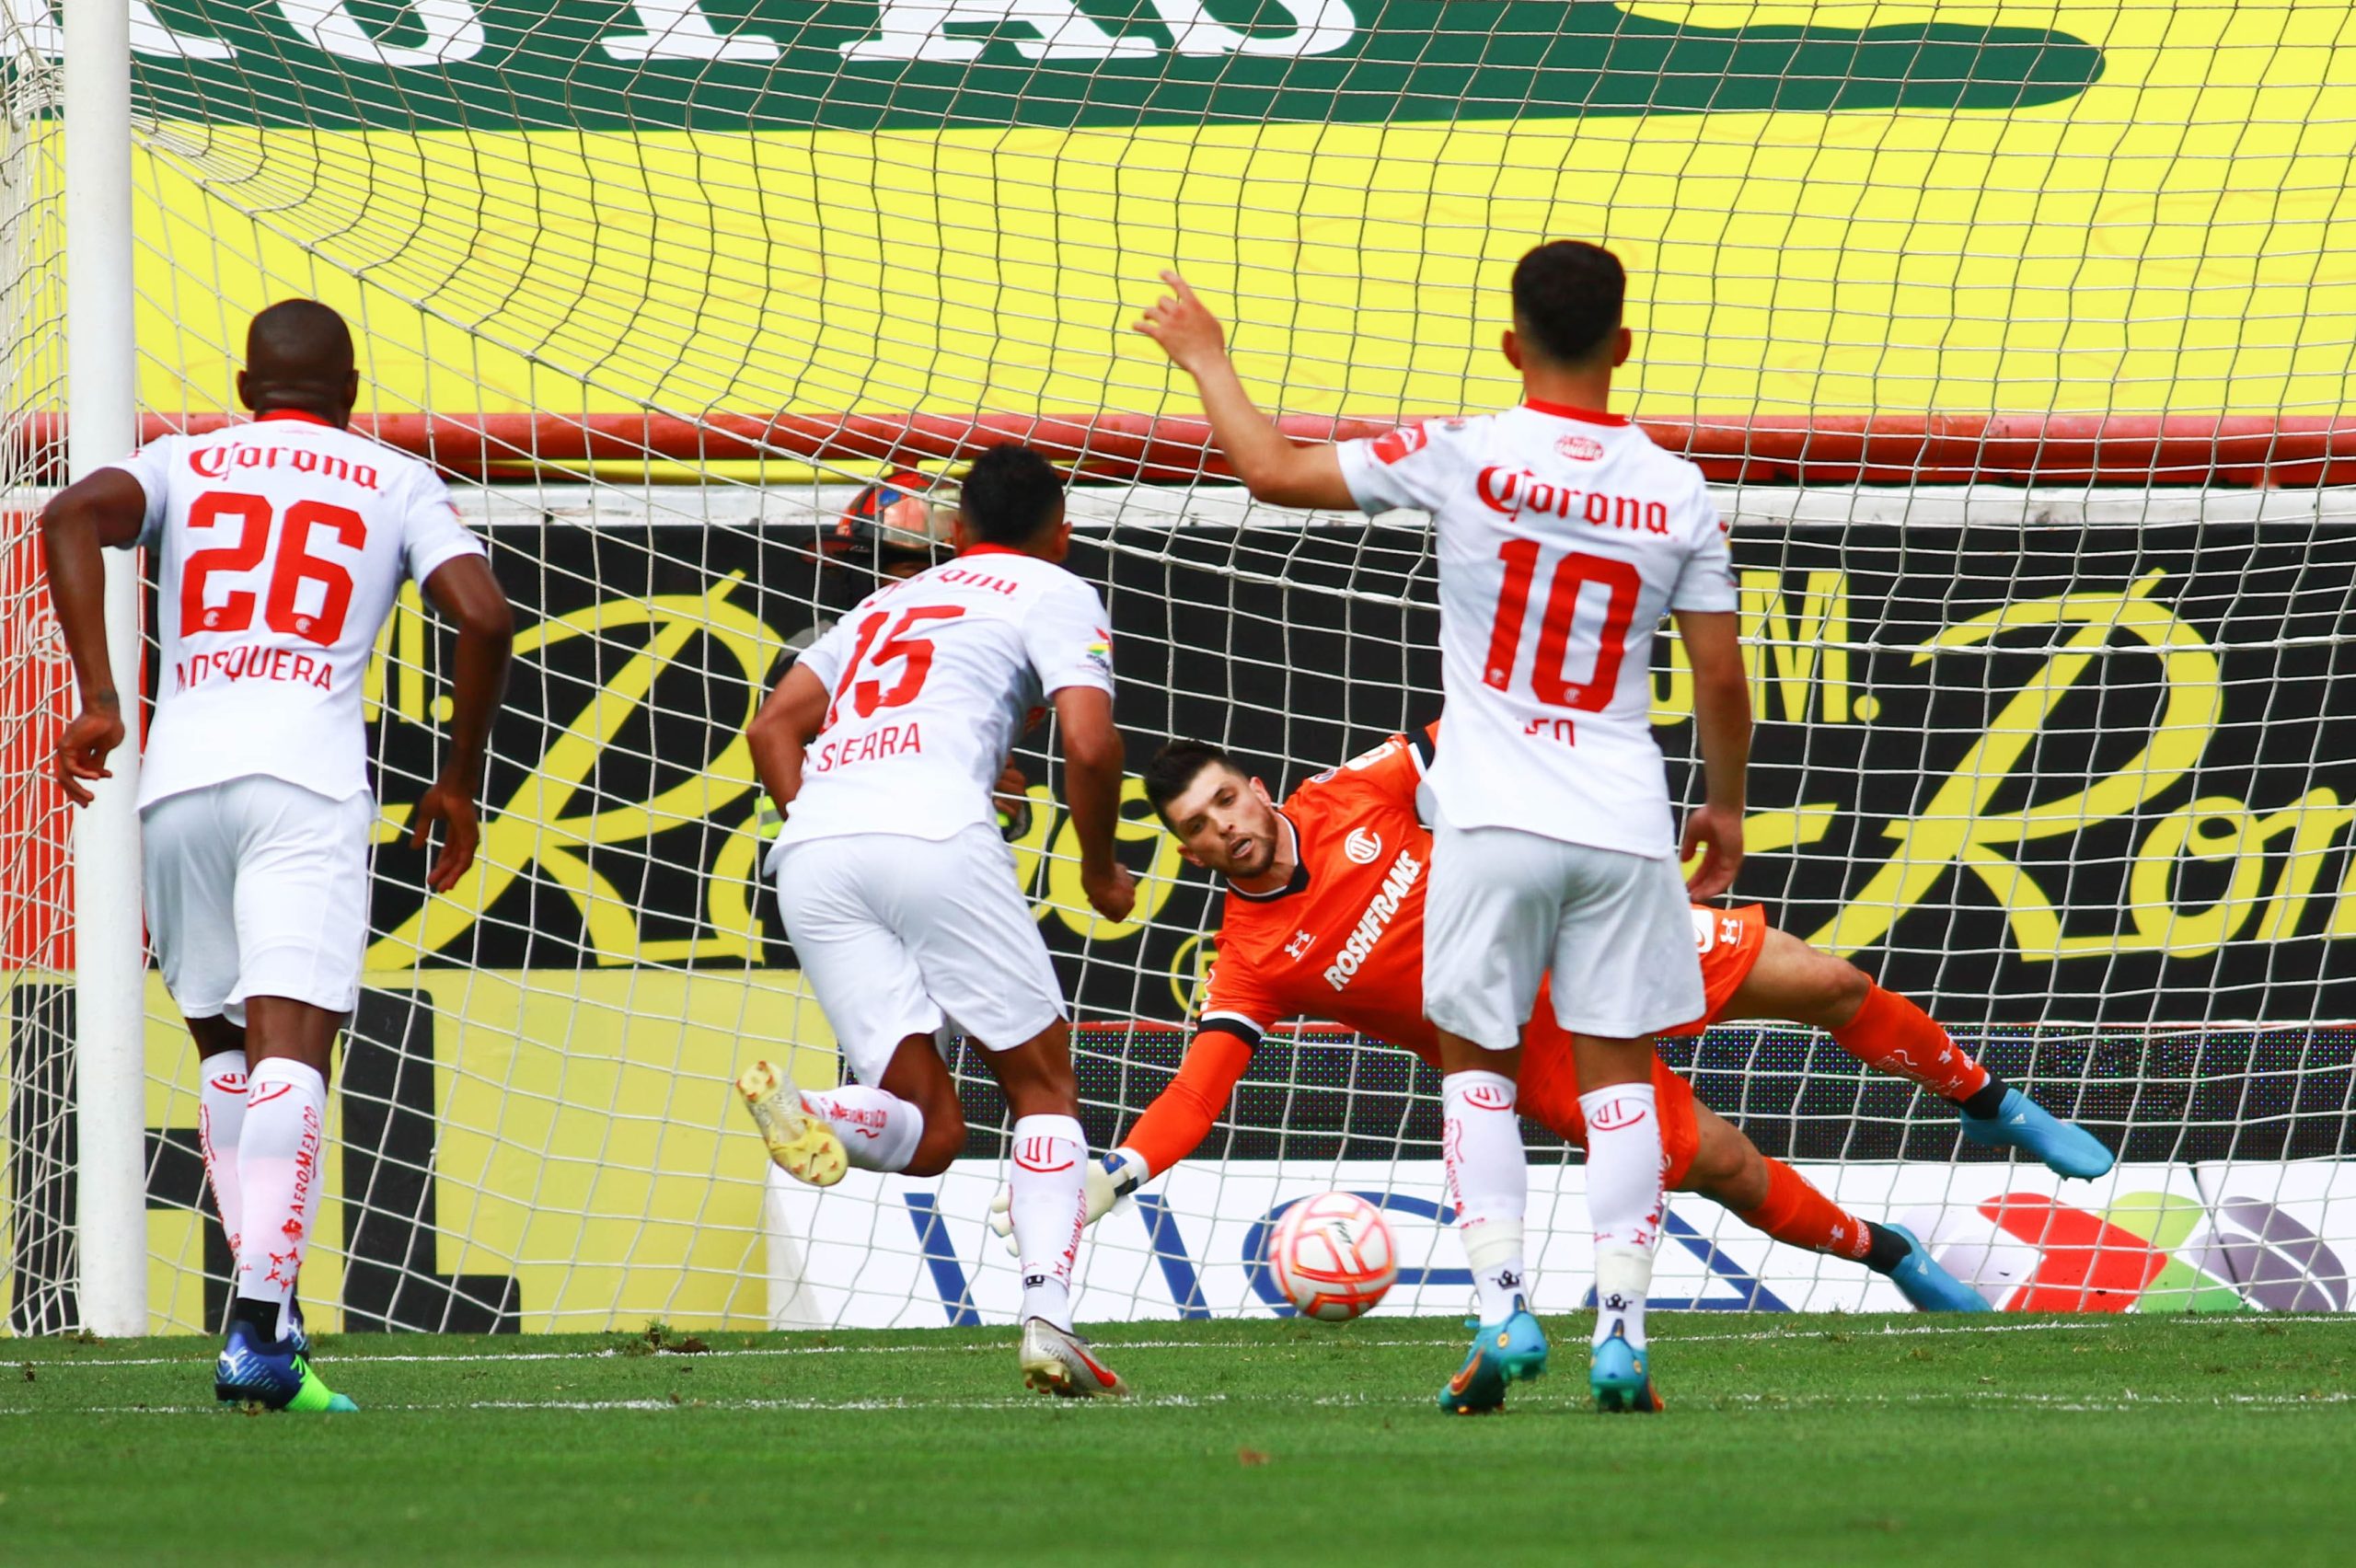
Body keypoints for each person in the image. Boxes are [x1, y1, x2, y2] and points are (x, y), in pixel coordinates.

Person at [1140, 239, 1755, 1412]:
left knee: (1476, 1066)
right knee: (1621, 1077)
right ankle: (1621, 1334)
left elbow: (1269, 470)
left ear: (1512, 345)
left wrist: (1208, 357)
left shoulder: (1465, 451)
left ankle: (1501, 1312)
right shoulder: (1676, 489)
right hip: (1623, 816)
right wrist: (1720, 807)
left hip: (1491, 816)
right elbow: (1719, 679)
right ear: (1622, 347)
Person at [997, 732, 2116, 1346]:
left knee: (1823, 980)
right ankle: (1893, 1256)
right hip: (1521, 1050)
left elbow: (1488, 737)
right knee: (1718, 1168)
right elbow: (1200, 1090)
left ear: (1251, 786)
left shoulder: (1359, 791)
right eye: (1197, 830)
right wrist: (1121, 1172)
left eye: (1226, 804)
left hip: (1588, 939)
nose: (1224, 831)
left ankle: (1998, 1105)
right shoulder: (1253, 960)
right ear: (1187, 853)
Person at [42, 299, 514, 1412]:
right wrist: (456, 781)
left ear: (247, 384)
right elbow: (484, 616)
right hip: (304, 781)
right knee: (295, 1045)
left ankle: (271, 1316)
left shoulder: (180, 461)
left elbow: (66, 516)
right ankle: (259, 1324)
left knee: (226, 1054)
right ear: (350, 388)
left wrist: (101, 698)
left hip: (179, 785)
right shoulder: (391, 477)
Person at [735, 444, 1138, 1397]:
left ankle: (817, 1110)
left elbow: (769, 729)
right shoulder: (1051, 586)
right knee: (1041, 1089)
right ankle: (1047, 1319)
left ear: (955, 532)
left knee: (931, 1134)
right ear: (1063, 534)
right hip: (934, 831)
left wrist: (836, 819)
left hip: (816, 847)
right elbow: (1089, 739)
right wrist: (1097, 863)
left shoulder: (880, 604)